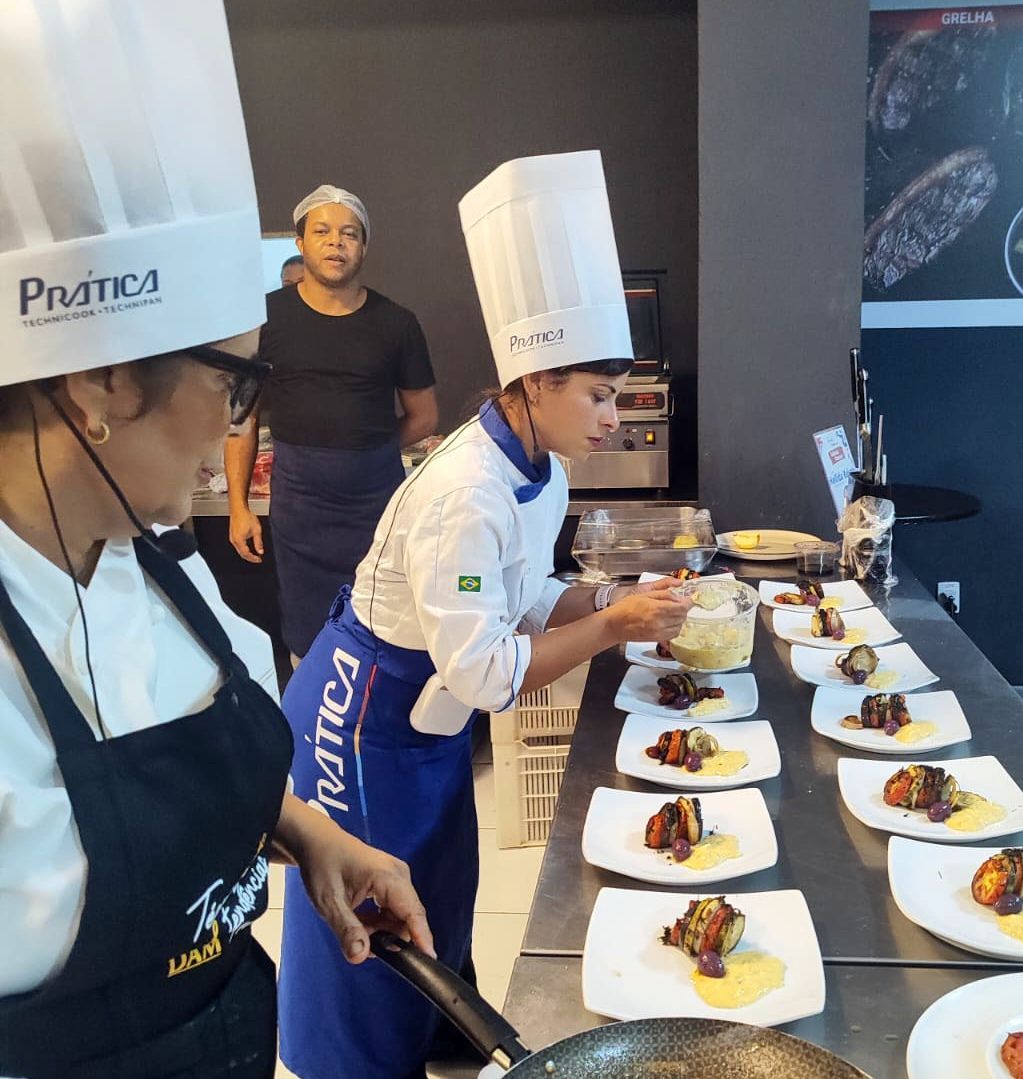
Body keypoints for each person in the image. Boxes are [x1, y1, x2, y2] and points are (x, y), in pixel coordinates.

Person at [0, 5, 431, 1077]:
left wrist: (306, 834)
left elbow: (182, 772)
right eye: (235, 382)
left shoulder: (158, 564)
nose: (242, 425)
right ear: (99, 382)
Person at [277, 150, 692, 1079]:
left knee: (441, 895)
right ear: (532, 382)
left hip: (425, 722)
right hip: (364, 718)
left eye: (615, 396)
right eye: (596, 395)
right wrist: (611, 628)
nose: (612, 418)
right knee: (368, 932)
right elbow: (487, 673)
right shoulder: (467, 488)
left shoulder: (538, 467)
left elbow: (525, 595)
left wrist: (604, 599)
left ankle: (436, 1046)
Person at [226, 185, 439, 663]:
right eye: (321, 231)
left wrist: (368, 453)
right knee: (308, 635)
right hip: (299, 507)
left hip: (377, 506)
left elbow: (425, 417)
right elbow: (241, 419)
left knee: (386, 623)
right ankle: (315, 730)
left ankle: (375, 729)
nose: (335, 242)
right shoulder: (264, 319)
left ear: (363, 247)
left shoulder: (397, 323)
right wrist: (239, 507)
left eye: (349, 233)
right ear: (300, 243)